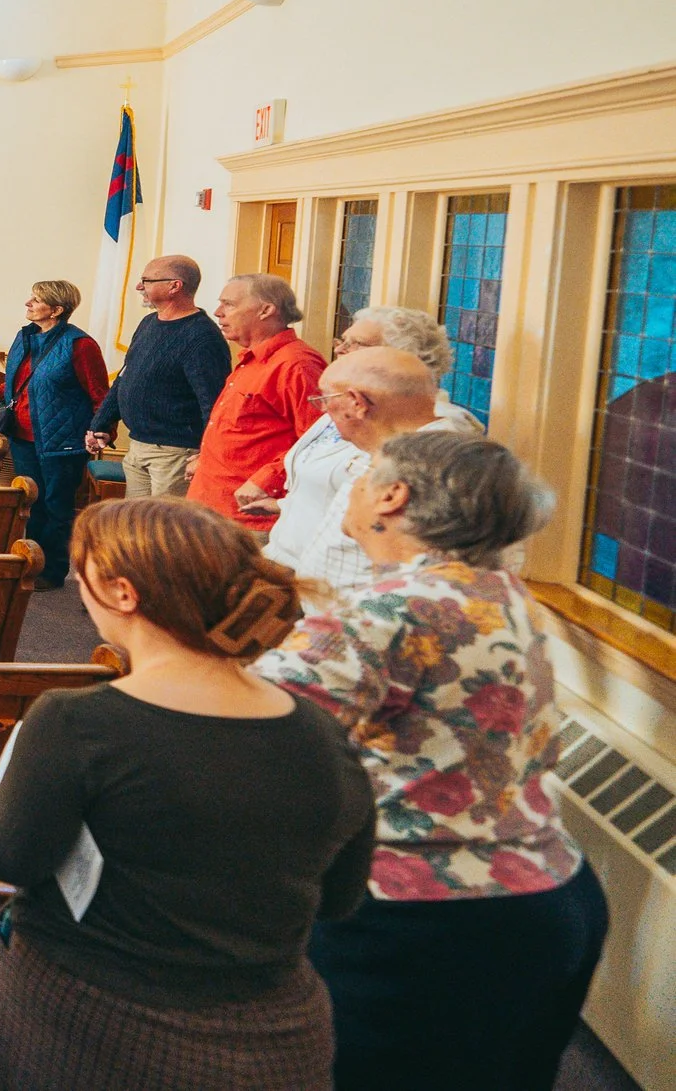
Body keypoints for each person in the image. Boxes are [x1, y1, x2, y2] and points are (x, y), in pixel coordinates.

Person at [0, 497, 375, 1089]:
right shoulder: (326, 734)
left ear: (123, 593)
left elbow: (5, 855)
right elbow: (340, 898)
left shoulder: (78, 723)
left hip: (97, 1024)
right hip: (276, 1034)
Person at [258, 432, 608, 1091]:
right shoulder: (499, 588)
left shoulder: (383, 609)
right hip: (551, 893)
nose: (352, 495)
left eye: (361, 480)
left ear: (393, 495)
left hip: (424, 915)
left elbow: (247, 737)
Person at [247, 307, 480, 536]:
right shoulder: (348, 403)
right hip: (290, 552)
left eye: (356, 344)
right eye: (342, 340)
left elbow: (407, 513)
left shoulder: (433, 427)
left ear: (401, 356)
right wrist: (287, 506)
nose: (340, 349)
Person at [259, 346, 461, 590]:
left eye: (325, 399)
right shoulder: (388, 451)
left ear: (357, 403)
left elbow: (427, 574)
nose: (322, 410)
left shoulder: (432, 467)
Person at [83, 254, 233, 497]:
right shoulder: (148, 323)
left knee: (165, 531)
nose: (139, 286)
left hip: (176, 453)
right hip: (139, 446)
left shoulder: (202, 337)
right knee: (136, 528)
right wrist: (100, 423)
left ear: (175, 286)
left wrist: (207, 453)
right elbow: (124, 377)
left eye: (147, 280)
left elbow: (214, 402)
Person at [188, 274, 327, 530]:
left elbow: (321, 441)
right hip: (211, 508)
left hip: (248, 520)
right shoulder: (251, 359)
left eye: (229, 304)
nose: (218, 312)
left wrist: (268, 480)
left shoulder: (298, 365)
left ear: (266, 310)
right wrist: (206, 458)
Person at [0, 279, 110, 588]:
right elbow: (15, 382)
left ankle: (53, 571)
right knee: (31, 505)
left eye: (36, 300)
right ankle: (32, 562)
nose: (28, 303)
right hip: (23, 438)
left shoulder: (80, 345)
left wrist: (102, 431)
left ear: (57, 310)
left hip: (62, 442)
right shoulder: (25, 337)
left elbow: (100, 393)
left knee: (56, 507)